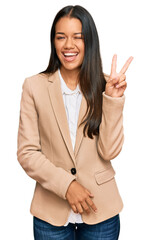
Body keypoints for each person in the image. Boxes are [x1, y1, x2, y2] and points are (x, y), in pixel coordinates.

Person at [17, 5, 133, 240]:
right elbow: (27, 152)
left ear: (89, 41)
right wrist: (67, 185)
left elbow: (109, 151)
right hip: (50, 213)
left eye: (77, 37)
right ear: (53, 42)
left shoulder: (107, 85)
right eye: (61, 37)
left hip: (101, 211)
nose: (68, 45)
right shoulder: (34, 86)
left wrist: (112, 99)